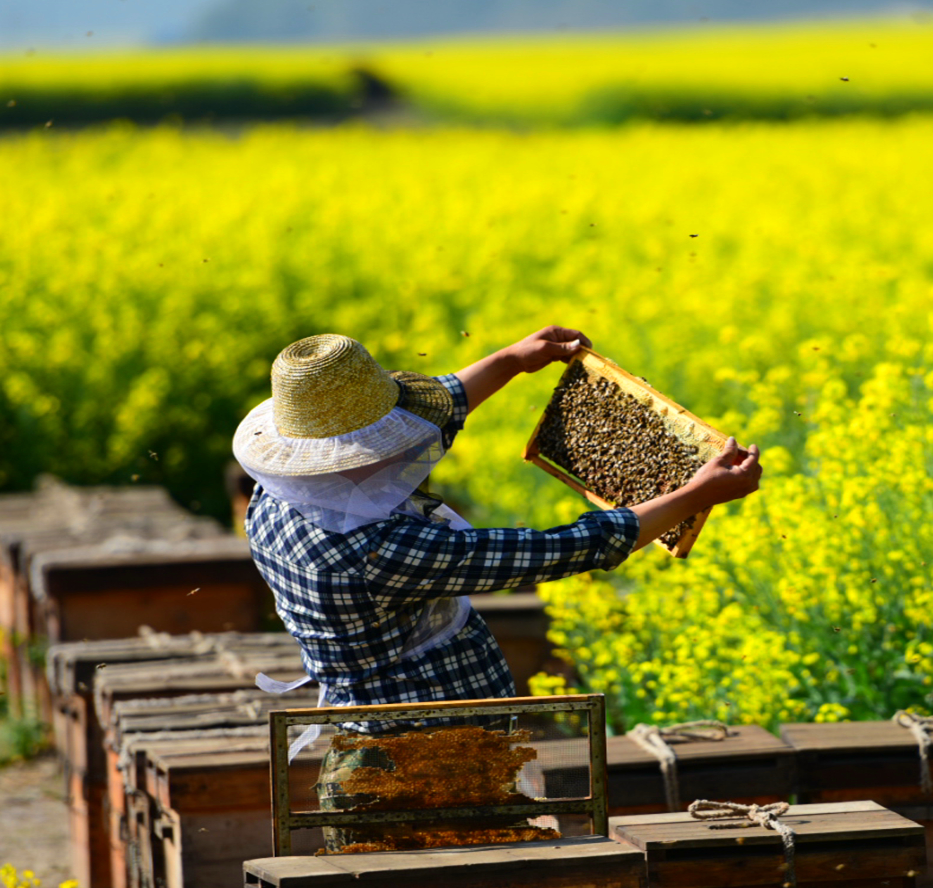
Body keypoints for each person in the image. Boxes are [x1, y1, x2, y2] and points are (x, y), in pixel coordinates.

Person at [232, 328, 760, 846]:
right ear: (356, 458)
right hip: (425, 770)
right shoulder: (376, 550)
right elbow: (556, 550)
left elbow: (427, 415)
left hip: (392, 750)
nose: (410, 448)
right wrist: (695, 494)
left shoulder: (276, 499)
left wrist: (510, 360)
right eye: (388, 442)